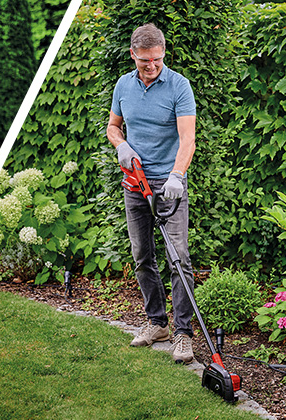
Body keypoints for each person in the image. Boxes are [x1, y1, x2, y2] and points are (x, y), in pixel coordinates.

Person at [105, 24, 197, 364]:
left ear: (163, 53)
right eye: (145, 61)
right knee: (142, 255)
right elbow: (113, 127)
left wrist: (177, 175)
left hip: (169, 186)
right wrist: (122, 145)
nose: (152, 66)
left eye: (157, 59)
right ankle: (157, 323)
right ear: (134, 55)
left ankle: (183, 334)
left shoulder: (179, 86)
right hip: (135, 183)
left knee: (179, 259)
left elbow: (187, 139)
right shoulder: (123, 86)